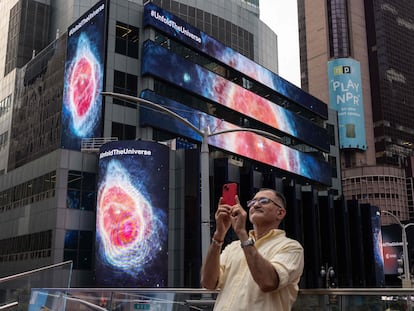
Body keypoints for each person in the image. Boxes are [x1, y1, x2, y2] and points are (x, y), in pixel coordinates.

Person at [201, 188, 304, 310]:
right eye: (252, 202)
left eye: (264, 201)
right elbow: (208, 283)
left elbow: (268, 282)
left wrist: (241, 233)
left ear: (280, 213)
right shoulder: (233, 247)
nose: (255, 205)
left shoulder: (291, 247)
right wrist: (218, 236)